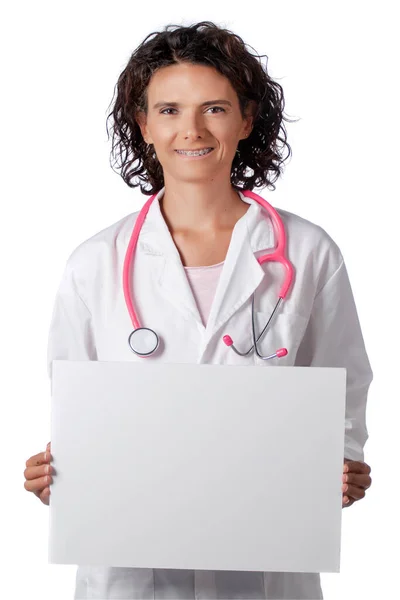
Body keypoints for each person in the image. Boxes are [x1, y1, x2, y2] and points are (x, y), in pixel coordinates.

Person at [23, 20, 373, 600]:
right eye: (168, 110)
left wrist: (340, 462)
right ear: (143, 124)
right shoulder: (95, 262)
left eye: (213, 108)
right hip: (131, 573)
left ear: (247, 118)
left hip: (264, 568)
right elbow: (75, 407)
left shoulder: (308, 252)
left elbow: (344, 385)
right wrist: (59, 472)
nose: (191, 129)